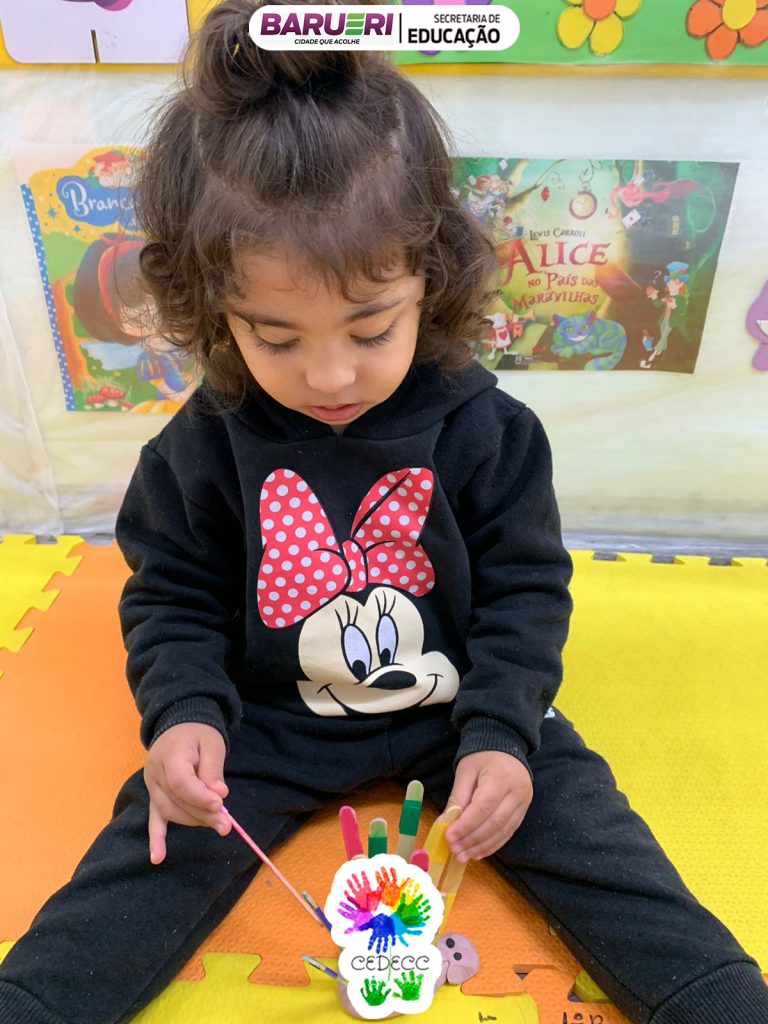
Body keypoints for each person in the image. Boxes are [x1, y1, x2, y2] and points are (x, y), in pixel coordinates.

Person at [1, 2, 766, 1022]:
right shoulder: (199, 448)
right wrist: (183, 716)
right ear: (211, 306)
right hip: (269, 724)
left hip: (458, 710)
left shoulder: (490, 431)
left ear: (429, 278)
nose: (328, 375)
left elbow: (526, 591)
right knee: (148, 847)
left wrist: (502, 732)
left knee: (596, 837)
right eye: (275, 338)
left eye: (370, 329)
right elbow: (172, 597)